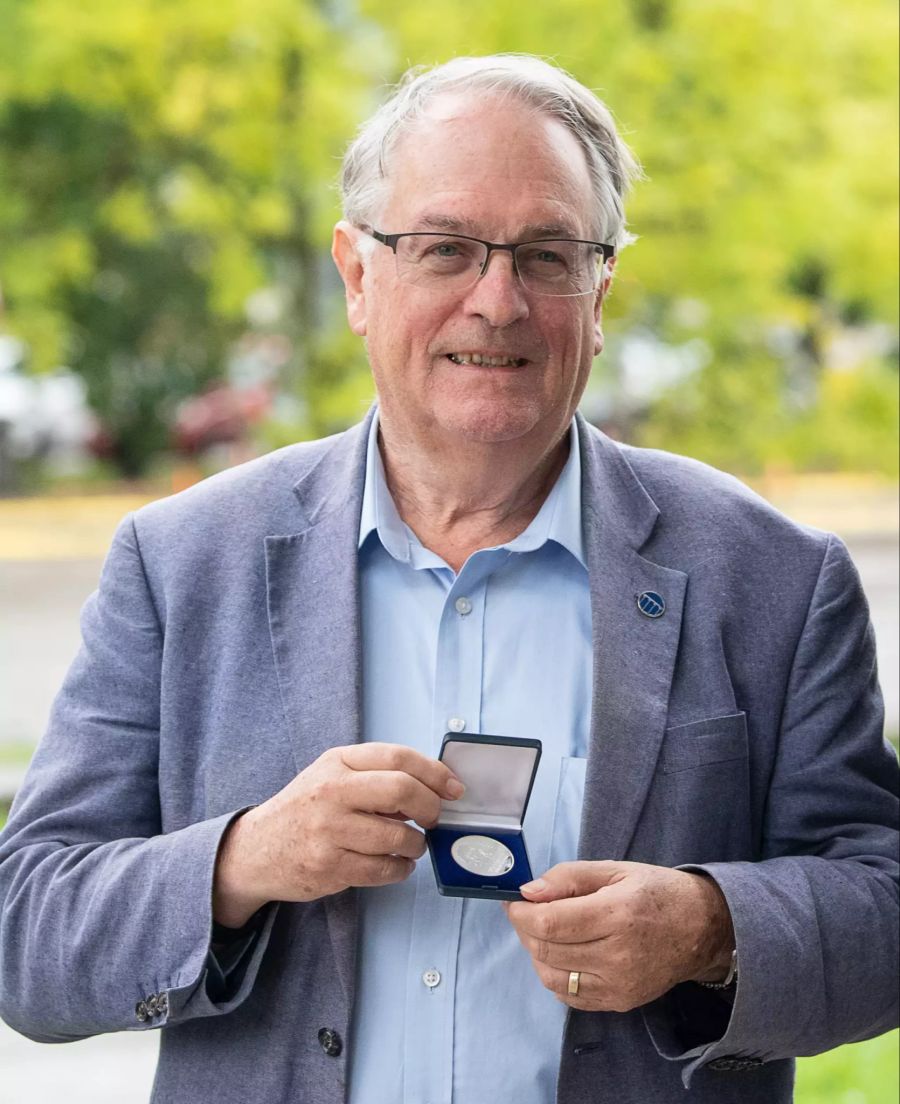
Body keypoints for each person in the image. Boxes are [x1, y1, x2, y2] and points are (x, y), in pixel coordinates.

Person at [0, 54, 897, 1104]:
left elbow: (880, 906)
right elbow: (28, 933)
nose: (499, 300)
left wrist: (709, 928)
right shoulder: (181, 562)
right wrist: (242, 861)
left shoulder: (776, 581)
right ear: (356, 277)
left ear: (601, 292)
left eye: (547, 255)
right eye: (446, 249)